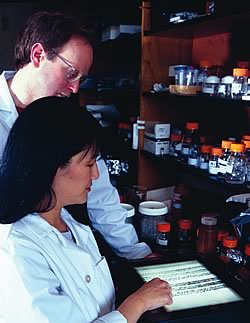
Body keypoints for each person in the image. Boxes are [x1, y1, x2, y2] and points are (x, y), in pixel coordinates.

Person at [0, 97, 173, 322]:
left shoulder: (69, 224)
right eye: (90, 164)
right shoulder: (16, 250)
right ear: (52, 165)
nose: (96, 175)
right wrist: (137, 303)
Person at [0, 10, 153, 259]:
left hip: (56, 253)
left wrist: (135, 252)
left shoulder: (64, 116)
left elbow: (100, 193)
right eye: (71, 72)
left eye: (81, 78)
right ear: (38, 55)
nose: (75, 89)